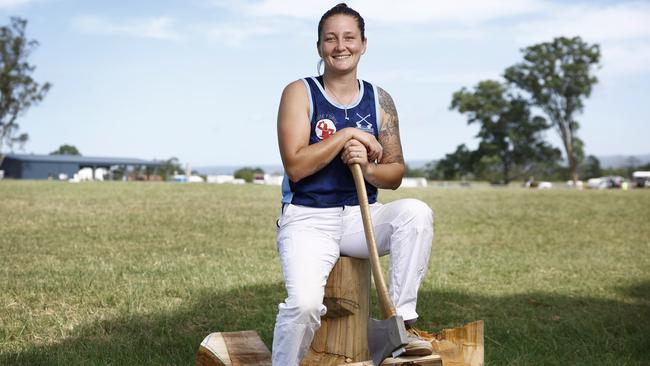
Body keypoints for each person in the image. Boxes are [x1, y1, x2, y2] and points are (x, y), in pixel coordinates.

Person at [273, 3, 434, 365]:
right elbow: (296, 166)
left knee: (415, 214)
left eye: (349, 37)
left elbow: (394, 173)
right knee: (304, 305)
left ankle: (401, 322)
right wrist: (346, 134)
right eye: (330, 39)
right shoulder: (300, 92)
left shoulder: (381, 100)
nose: (340, 46)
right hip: (307, 218)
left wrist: (366, 167)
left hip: (360, 217)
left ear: (363, 44)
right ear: (319, 47)